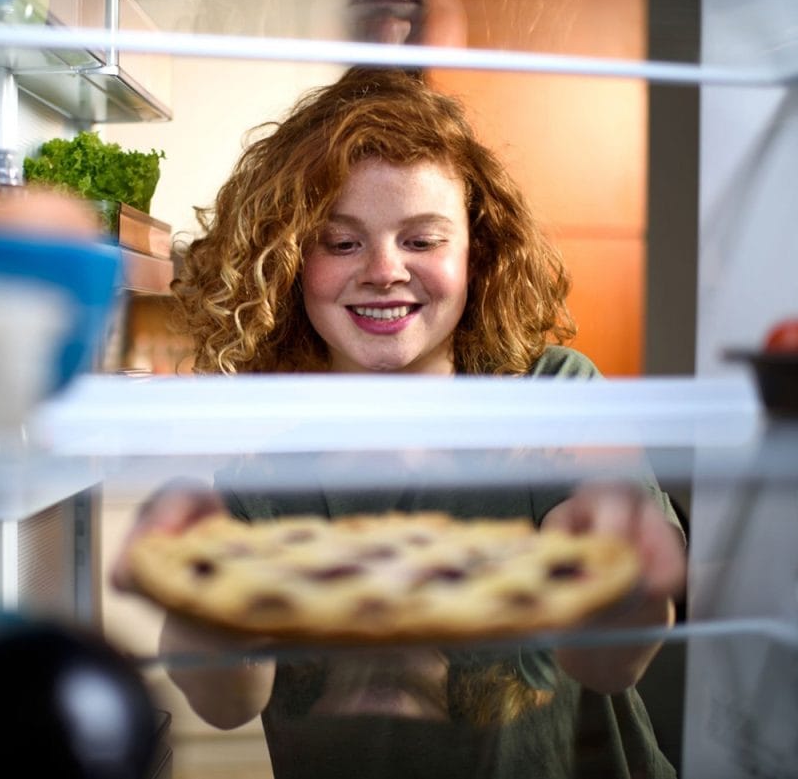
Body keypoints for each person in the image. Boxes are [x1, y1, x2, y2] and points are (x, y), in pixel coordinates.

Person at [111, 67, 686, 779]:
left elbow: (613, 656)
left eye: (422, 240)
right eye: (342, 242)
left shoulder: (555, 397)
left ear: (478, 252)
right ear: (288, 261)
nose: (384, 270)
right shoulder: (266, 470)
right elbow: (228, 699)